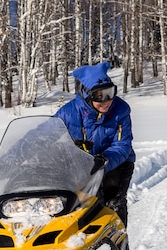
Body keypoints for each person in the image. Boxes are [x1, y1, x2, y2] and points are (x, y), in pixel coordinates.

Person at [54, 61, 135, 227]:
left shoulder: (121, 110)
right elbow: (44, 134)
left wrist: (104, 161)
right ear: (85, 94)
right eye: (100, 96)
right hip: (81, 165)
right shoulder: (67, 113)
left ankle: (117, 243)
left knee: (112, 203)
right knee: (73, 204)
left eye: (110, 93)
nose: (106, 101)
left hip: (116, 163)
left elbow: (122, 145)